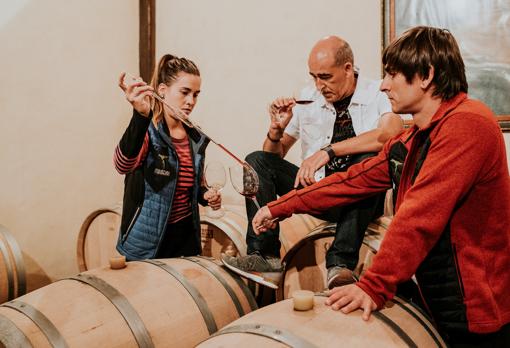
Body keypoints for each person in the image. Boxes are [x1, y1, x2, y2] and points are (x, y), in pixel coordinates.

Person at [252, 26, 510, 346]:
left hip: (472, 306)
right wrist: (278, 207)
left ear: (426, 75)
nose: (384, 85)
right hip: (431, 292)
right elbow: (352, 180)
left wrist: (373, 286)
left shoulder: (467, 124)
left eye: (392, 75)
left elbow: (420, 216)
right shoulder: (413, 138)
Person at [221, 35, 403, 289]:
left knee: (369, 160)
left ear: (348, 68)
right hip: (318, 194)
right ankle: (265, 256)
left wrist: (329, 151)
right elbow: (274, 155)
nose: (319, 85)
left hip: (360, 201)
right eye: (314, 76)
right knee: (256, 160)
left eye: (325, 77)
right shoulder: (308, 97)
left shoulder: (377, 93)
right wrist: (275, 130)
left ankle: (340, 263)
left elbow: (389, 135)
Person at [114, 54, 221, 260]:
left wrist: (206, 196)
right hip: (147, 243)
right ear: (162, 91)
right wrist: (140, 117)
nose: (191, 101)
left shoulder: (195, 137)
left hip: (185, 240)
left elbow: (194, 185)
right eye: (185, 92)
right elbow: (122, 165)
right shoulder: (148, 130)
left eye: (196, 94)